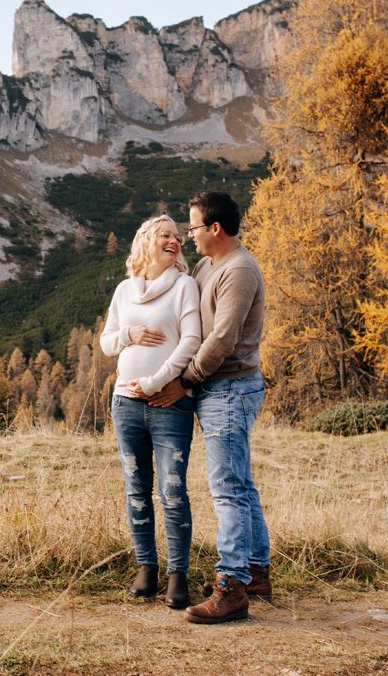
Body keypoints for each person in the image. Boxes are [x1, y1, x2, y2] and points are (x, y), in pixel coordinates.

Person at [147, 191, 270, 624]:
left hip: (230, 389)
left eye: (195, 227)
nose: (190, 234)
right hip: (219, 389)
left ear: (215, 229)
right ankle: (255, 571)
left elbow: (222, 339)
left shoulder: (238, 271)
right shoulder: (207, 265)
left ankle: (232, 587)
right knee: (241, 483)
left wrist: (185, 380)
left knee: (227, 489)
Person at [99, 215, 202, 609]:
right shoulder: (125, 291)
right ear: (147, 241)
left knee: (173, 491)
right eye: (166, 234)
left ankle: (178, 575)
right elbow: (108, 342)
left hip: (169, 405)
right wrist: (131, 335)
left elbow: (191, 340)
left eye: (179, 236)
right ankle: (147, 567)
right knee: (136, 488)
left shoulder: (184, 287)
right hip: (125, 404)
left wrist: (158, 381)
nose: (176, 240)